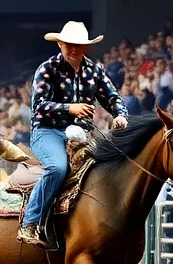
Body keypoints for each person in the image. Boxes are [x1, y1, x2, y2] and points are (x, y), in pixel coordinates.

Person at [19, 21, 128, 247]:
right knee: (57, 168)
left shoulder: (95, 71)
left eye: (79, 45)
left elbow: (112, 97)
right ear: (60, 43)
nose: (74, 49)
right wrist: (70, 108)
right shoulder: (47, 69)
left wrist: (120, 115)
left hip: (83, 133)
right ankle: (30, 223)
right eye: (69, 44)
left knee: (111, 169)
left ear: (86, 47)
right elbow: (38, 106)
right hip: (47, 131)